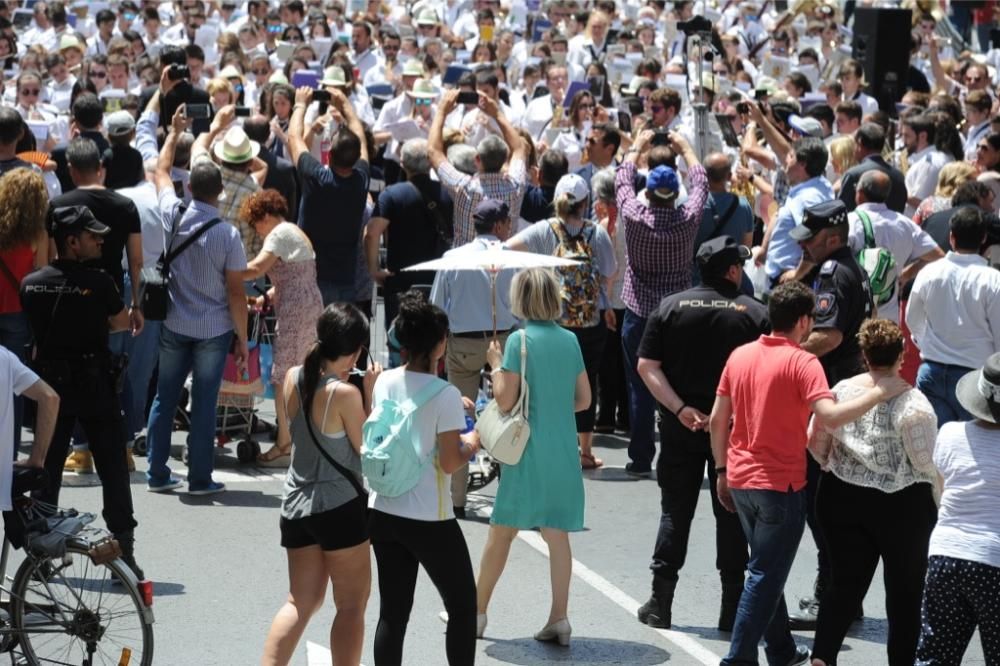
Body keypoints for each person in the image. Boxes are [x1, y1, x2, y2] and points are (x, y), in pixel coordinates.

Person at [709, 280, 909, 666]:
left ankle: (781, 650)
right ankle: (738, 659)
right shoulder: (803, 362)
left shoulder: (741, 356)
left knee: (767, 568)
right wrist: (880, 392)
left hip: (740, 477)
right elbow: (830, 417)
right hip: (780, 485)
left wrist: (721, 470)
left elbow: (719, 420)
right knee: (765, 573)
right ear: (803, 321)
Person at [635, 236, 769, 632]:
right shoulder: (755, 313)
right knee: (731, 514)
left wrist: (679, 408)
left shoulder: (671, 307)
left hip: (682, 426)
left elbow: (647, 366)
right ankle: (732, 609)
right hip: (733, 429)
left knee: (675, 511)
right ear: (732, 270)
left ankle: (661, 602)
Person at [20, 205, 143, 579]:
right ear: (71, 241)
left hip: (51, 389)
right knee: (113, 473)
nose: (100, 240)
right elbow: (121, 322)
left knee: (47, 472)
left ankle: (39, 560)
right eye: (92, 235)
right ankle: (124, 554)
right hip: (95, 386)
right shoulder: (101, 283)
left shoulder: (32, 284)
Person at [808, 318, 939, 666]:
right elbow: (926, 464)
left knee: (844, 585)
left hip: (840, 496)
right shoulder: (916, 406)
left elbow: (816, 443)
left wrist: (839, 465)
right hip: (902, 506)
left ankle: (822, 656)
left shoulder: (841, 391)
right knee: (904, 596)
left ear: (864, 355)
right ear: (902, 355)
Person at [473, 267, 590, 645]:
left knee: (501, 532)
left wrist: (494, 365)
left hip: (527, 450)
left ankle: (475, 612)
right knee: (557, 535)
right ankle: (560, 616)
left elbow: (505, 399)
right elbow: (584, 399)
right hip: (562, 449)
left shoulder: (517, 341)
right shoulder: (570, 340)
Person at [142, 90, 248, 496]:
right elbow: (236, 294)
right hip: (213, 327)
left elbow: (162, 170)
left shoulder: (174, 212)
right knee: (204, 404)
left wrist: (173, 132)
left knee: (164, 398)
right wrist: (241, 337)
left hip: (174, 319)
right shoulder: (228, 234)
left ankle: (157, 473)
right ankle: (200, 478)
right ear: (219, 192)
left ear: (191, 188)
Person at [261, 304, 379, 666]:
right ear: (357, 351)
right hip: (339, 507)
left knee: (300, 601)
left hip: (297, 504)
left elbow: (290, 438)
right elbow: (367, 451)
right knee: (350, 605)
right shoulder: (345, 394)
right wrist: (370, 393)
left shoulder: (295, 377)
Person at [366, 290, 479, 666]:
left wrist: (452, 408)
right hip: (429, 517)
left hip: (382, 510)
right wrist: (473, 441)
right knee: (463, 606)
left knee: (392, 615)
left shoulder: (384, 382)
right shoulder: (444, 394)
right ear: (439, 344)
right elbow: (450, 462)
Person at [788, 199, 875, 628]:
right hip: (839, 393)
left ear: (834, 238)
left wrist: (786, 357)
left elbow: (829, 335)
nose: (806, 247)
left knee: (822, 505)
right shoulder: (844, 267)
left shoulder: (834, 272)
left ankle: (834, 595)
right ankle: (842, 593)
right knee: (831, 501)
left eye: (813, 240)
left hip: (831, 396)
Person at [506, 173, 616, 469]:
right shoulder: (597, 233)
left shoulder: (544, 230)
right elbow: (609, 272)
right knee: (585, 383)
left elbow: (508, 248)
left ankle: (544, 443)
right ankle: (585, 452)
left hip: (552, 321)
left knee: (544, 383)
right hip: (590, 324)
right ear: (585, 202)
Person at [615, 128, 708, 477]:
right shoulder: (687, 220)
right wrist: (685, 147)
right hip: (677, 313)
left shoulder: (634, 216)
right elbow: (701, 184)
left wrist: (637, 143)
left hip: (639, 311)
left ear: (650, 191)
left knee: (639, 386)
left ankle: (640, 457)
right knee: (679, 383)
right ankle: (679, 455)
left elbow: (622, 179)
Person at [429, 199, 517, 519]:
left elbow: (437, 304)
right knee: (508, 412)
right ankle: (508, 489)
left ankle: (457, 499)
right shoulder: (513, 257)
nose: (510, 228)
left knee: (458, 416)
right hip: (504, 340)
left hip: (463, 343)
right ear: (497, 226)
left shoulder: (453, 258)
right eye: (507, 222)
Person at [914, 352, 1000, 665]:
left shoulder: (949, 433)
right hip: (995, 561)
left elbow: (941, 491)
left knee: (935, 655)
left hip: (946, 555)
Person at [236, 190, 324, 465]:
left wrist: (226, 272)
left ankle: (284, 442)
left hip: (295, 313)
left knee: (283, 376)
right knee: (304, 375)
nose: (257, 231)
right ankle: (302, 438)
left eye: (256, 223)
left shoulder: (278, 234)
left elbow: (256, 269)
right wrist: (264, 299)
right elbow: (293, 277)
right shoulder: (294, 231)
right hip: (308, 307)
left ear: (265, 216)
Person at [907, 206, 1000, 425]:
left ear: (951, 237)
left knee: (935, 450)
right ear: (983, 238)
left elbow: (913, 320)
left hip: (932, 371)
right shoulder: (993, 280)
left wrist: (927, 343)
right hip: (976, 380)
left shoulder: (928, 272)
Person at [288, 86, 369, 306]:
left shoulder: (316, 178)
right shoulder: (362, 180)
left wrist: (301, 104)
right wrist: (346, 105)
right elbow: (360, 137)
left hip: (312, 279)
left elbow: (294, 138)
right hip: (345, 280)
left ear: (329, 155)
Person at [366, 138, 453, 334]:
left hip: (400, 282)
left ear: (402, 163)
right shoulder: (448, 193)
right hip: (437, 281)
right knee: (434, 339)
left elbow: (371, 233)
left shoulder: (391, 194)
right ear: (430, 162)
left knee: (399, 341)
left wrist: (374, 270)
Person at [428, 89, 528, 247]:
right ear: (504, 160)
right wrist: (497, 113)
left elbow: (433, 152)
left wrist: (441, 111)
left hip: (466, 264)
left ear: (477, 160)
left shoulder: (463, 187)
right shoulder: (515, 186)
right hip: (503, 265)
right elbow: (519, 148)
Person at [847, 171, 944, 325]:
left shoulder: (849, 222)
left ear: (860, 194)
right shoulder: (905, 223)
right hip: (890, 319)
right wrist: (908, 272)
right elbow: (938, 255)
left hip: (855, 314)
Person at [0, 168, 49, 453]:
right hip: (18, 312)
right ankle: (9, 455)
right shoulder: (37, 233)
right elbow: (40, 273)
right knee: (14, 385)